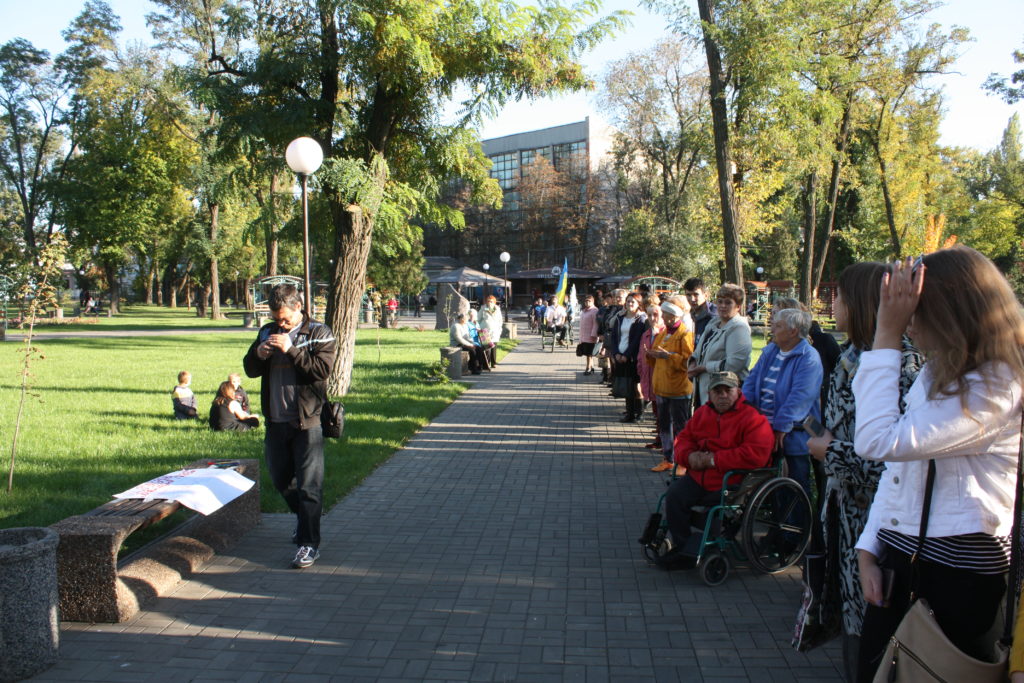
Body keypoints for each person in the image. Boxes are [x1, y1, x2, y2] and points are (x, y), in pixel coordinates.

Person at [853, 247, 1024, 681]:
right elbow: (901, 475)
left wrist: (885, 334)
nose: (907, 322)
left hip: (960, 570)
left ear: (948, 312)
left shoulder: (998, 386)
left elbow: (876, 440)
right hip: (905, 558)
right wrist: (870, 546)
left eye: (915, 310)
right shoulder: (939, 373)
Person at [805, 262, 923, 681]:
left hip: (876, 529)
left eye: (839, 294)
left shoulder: (900, 367)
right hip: (843, 519)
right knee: (849, 631)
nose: (833, 303)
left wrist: (829, 451)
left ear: (862, 303)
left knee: (870, 643)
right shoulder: (851, 358)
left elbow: (897, 463)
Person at [243, 283, 337, 569]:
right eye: (276, 318)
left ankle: (308, 544)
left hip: (306, 420)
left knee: (310, 486)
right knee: (282, 480)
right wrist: (259, 353)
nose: (280, 324)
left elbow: (321, 371)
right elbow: (249, 369)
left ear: (299, 307)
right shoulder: (266, 331)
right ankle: (305, 520)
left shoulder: (319, 332)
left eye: (285, 319)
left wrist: (292, 349)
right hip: (275, 419)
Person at [654, 371, 774, 569]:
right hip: (700, 475)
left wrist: (714, 460)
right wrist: (689, 457)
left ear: (738, 392)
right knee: (674, 495)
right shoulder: (703, 413)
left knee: (712, 509)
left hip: (734, 480)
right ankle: (684, 548)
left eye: (728, 390)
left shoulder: (753, 418)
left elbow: (755, 455)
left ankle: (703, 544)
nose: (723, 395)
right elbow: (684, 440)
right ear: (709, 393)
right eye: (717, 391)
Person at [742, 308, 823, 502]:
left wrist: (781, 427)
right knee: (768, 485)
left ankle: (794, 530)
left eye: (778, 326)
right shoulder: (771, 351)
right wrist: (746, 411)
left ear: (793, 331)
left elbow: (800, 397)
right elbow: (751, 382)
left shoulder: (808, 358)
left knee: (794, 485)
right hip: (763, 429)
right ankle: (775, 528)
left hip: (793, 433)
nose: (772, 329)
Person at [648, 299, 695, 473]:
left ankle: (682, 462)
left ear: (673, 315)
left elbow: (687, 361)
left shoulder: (685, 334)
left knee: (681, 427)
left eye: (665, 313)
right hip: (661, 387)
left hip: (678, 389)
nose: (662, 315)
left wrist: (669, 357)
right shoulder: (663, 332)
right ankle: (668, 458)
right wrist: (651, 354)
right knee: (665, 425)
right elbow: (655, 356)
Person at [688, 283, 752, 407]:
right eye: (720, 301)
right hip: (704, 390)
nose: (722, 306)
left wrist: (705, 367)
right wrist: (692, 364)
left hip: (725, 396)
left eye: (728, 303)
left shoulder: (739, 328)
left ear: (738, 306)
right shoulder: (713, 323)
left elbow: (735, 364)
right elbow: (698, 351)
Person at [609, 292, 647, 422]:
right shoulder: (620, 317)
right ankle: (629, 413)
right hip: (620, 354)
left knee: (636, 386)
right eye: (628, 301)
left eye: (633, 302)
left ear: (638, 304)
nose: (630, 304)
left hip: (633, 357)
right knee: (626, 385)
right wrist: (616, 353)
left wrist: (626, 355)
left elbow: (637, 340)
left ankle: (640, 413)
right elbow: (614, 337)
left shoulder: (641, 319)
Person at [576, 295, 600, 375]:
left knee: (589, 354)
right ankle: (591, 367)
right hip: (584, 336)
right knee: (587, 353)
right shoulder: (584, 311)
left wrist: (594, 335)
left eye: (589, 301)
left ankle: (588, 368)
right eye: (586, 301)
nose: (587, 302)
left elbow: (595, 324)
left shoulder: (594, 310)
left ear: (593, 302)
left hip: (591, 336)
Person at [479, 294, 503, 366]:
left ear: (494, 302)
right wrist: (480, 328)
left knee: (494, 346)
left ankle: (493, 362)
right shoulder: (483, 308)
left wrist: (500, 328)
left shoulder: (497, 309)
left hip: (495, 330)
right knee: (486, 347)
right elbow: (478, 319)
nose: (490, 303)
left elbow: (500, 319)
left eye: (492, 301)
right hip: (485, 331)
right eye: (488, 301)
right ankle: (486, 363)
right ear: (486, 302)